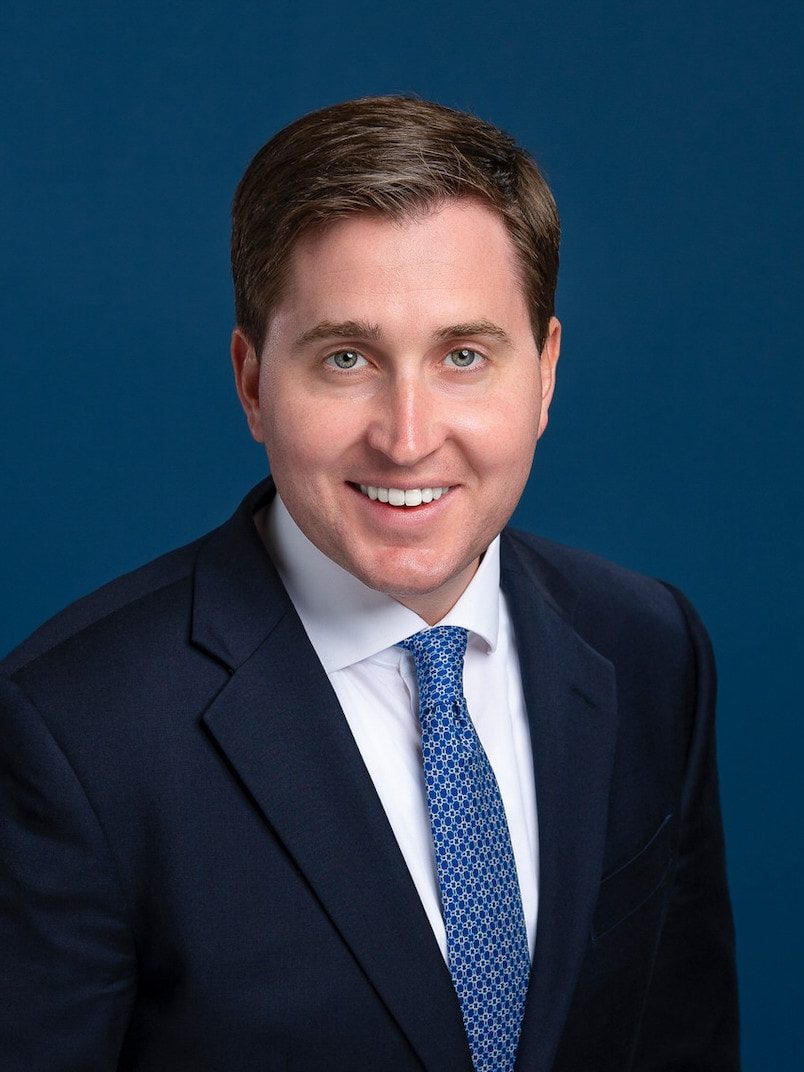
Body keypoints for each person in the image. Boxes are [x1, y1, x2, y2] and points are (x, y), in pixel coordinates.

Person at [0, 96, 739, 1071]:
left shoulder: (650, 647)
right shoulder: (76, 732)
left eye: (464, 356)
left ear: (547, 371)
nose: (407, 434)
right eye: (346, 358)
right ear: (253, 382)